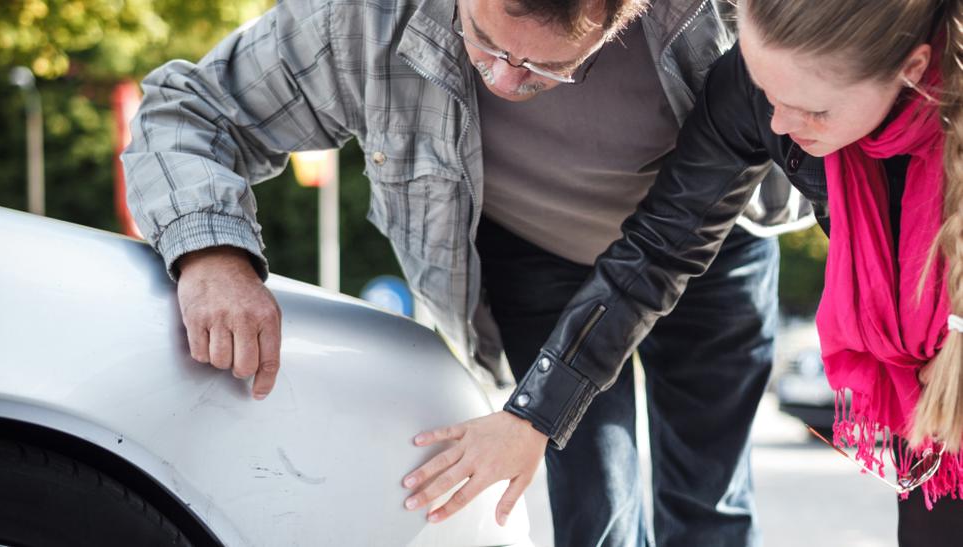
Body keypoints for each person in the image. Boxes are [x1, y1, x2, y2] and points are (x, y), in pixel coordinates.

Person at [122, 0, 810, 545]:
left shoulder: (710, 13)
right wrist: (212, 253)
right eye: (488, 42)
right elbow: (186, 110)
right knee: (590, 504)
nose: (507, 81)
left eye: (547, 69)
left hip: (707, 246)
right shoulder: (363, 17)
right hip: (538, 257)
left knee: (709, 501)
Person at [404, 0, 963, 544]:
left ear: (911, 71)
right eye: (768, 91)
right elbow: (658, 249)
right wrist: (534, 415)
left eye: (815, 110)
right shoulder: (752, 92)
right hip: (931, 390)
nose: (780, 124)